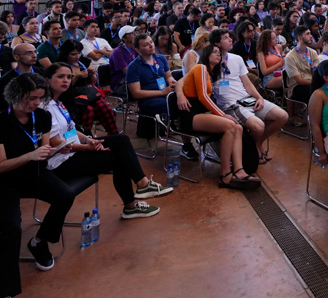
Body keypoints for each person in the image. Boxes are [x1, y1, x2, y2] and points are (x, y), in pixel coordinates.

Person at [43, 63, 171, 219]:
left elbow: (70, 129)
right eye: (60, 77)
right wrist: (86, 148)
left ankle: (141, 186)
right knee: (119, 158)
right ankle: (134, 199)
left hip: (74, 150)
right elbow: (55, 142)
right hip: (61, 162)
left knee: (121, 140)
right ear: (47, 80)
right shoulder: (45, 107)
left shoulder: (59, 102)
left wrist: (88, 139)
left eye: (69, 77)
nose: (66, 80)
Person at [1, 74, 76, 294]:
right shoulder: (1, 123)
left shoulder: (41, 116)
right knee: (11, 228)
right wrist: (30, 156)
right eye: (32, 98)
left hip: (34, 174)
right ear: (16, 96)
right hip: (6, 182)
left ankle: (39, 241)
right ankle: (8, 287)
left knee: (65, 195)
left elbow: (43, 151)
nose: (36, 103)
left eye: (40, 98)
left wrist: (57, 149)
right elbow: (1, 166)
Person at [175, 44, 261, 189]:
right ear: (206, 54)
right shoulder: (201, 68)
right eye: (214, 52)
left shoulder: (210, 72)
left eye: (219, 53)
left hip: (202, 114)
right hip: (191, 115)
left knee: (238, 127)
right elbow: (202, 97)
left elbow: (184, 84)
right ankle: (225, 174)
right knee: (230, 126)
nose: (218, 55)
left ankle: (239, 170)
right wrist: (223, 115)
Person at [209, 29, 288, 162]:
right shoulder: (209, 62)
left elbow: (248, 84)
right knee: (259, 126)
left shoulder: (236, 58)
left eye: (230, 37)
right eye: (226, 38)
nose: (231, 40)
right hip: (230, 104)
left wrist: (259, 98)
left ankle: (256, 143)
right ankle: (252, 149)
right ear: (217, 43)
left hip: (247, 99)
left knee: (282, 116)